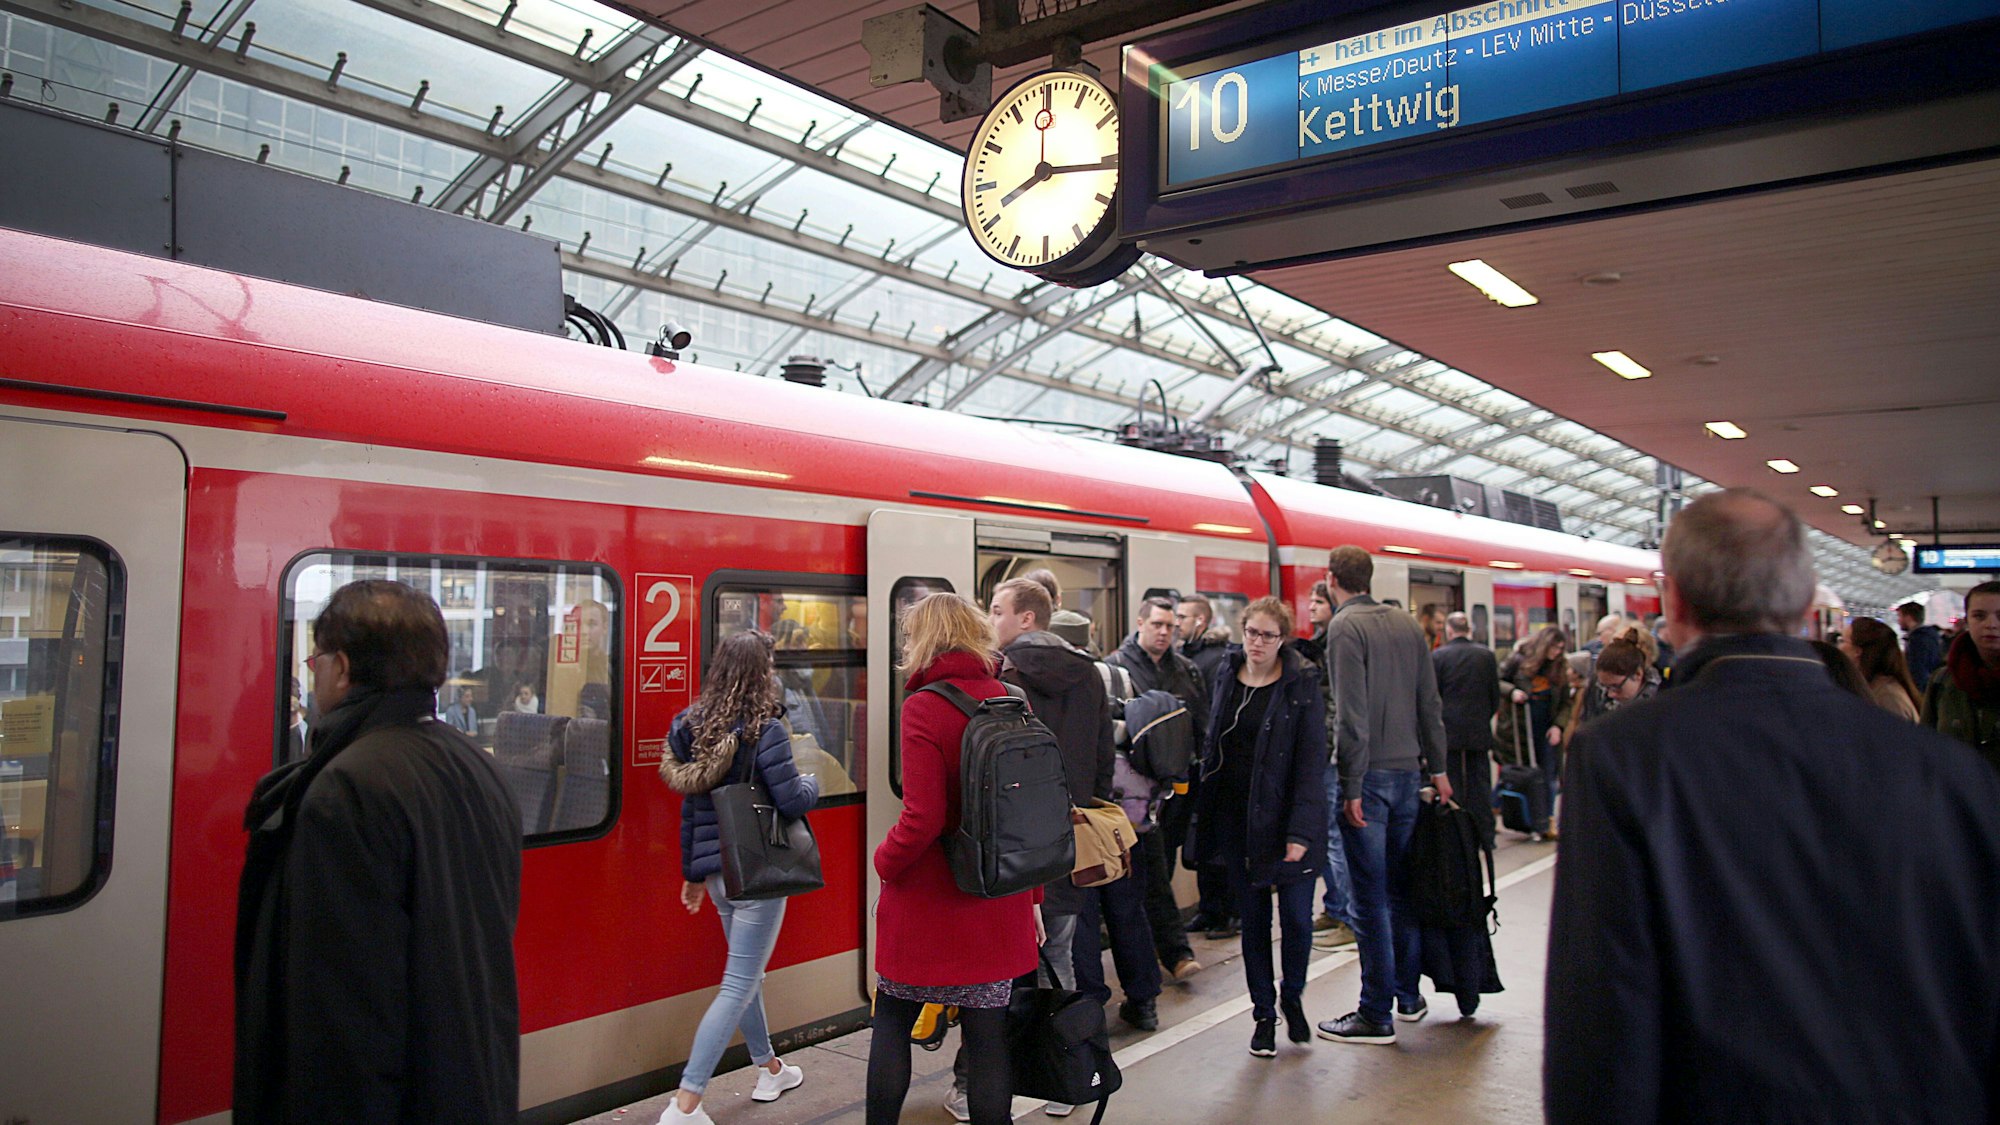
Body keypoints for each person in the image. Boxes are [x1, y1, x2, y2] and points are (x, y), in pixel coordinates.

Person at [1546, 489, 2000, 1123]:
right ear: (1808, 597)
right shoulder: (1953, 774)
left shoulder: (1622, 759)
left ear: (1673, 602)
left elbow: (1602, 1013)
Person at [235, 580, 521, 1123]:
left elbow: (343, 1015)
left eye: (315, 660)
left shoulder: (344, 789)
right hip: (472, 1083)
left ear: (341, 668)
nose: (312, 673)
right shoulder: (480, 768)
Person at [943, 577, 1116, 1119]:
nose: (989, 620)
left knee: (996, 977)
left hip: (1014, 846)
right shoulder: (1091, 673)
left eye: (996, 610)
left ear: (1026, 619)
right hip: (1068, 840)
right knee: (1057, 959)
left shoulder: (1004, 676)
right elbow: (1103, 754)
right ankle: (1061, 1072)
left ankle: (971, 1085)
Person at [868, 593, 1039, 1125]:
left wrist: (885, 862)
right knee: (988, 1037)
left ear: (924, 640)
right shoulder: (1013, 698)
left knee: (893, 1021)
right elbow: (1027, 814)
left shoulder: (923, 706)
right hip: (995, 897)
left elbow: (923, 819)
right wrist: (1031, 896)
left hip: (929, 904)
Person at [657, 631, 818, 1125]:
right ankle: (686, 1102)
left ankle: (770, 1068)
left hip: (718, 874)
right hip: (757, 871)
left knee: (746, 979)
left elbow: (691, 810)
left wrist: (692, 875)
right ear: (761, 672)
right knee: (738, 983)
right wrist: (812, 782)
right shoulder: (763, 729)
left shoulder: (689, 726)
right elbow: (790, 800)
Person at [1317, 547, 1452, 1046]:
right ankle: (1408, 997)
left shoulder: (1344, 628)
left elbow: (1351, 715)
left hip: (1368, 780)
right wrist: (1437, 768)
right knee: (1400, 891)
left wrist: (1350, 784)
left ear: (1332, 580)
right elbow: (1429, 703)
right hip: (1409, 775)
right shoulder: (1406, 625)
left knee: (1368, 899)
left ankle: (1375, 1012)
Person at [1190, 596, 1328, 1057]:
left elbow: (1311, 763)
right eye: (1251, 632)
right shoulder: (1227, 673)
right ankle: (1264, 1014)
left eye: (1268, 635)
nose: (1257, 643)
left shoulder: (1302, 683)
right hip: (1238, 820)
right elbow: (1213, 744)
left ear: (1282, 639)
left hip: (1288, 820)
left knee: (1295, 920)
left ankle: (1293, 995)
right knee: (1253, 922)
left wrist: (1301, 833)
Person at [1114, 597, 1223, 937]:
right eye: (1157, 625)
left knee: (1168, 854)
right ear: (1140, 622)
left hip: (1177, 784)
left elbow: (1202, 724)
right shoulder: (1118, 668)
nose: (1164, 633)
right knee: (1143, 863)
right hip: (1135, 788)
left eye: (1170, 627)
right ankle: (1156, 937)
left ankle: (1159, 935)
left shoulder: (1186, 670)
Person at [1431, 611, 1500, 851]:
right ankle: (1485, 836)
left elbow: (1433, 697)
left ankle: (1458, 837)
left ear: (1449, 630)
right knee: (1480, 784)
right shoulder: (1487, 656)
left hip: (1448, 732)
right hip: (1478, 730)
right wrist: (1483, 718)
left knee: (1453, 785)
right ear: (1468, 629)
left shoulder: (1438, 657)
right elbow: (1494, 696)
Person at [1496, 625, 1573, 840]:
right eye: (1554, 647)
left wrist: (1558, 726)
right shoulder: (1519, 659)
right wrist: (1513, 692)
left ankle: (1545, 820)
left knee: (1548, 775)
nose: (1556, 653)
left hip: (1547, 728)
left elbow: (1566, 702)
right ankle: (1508, 811)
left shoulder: (1560, 667)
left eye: (1560, 649)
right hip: (1520, 729)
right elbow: (1498, 680)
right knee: (1520, 772)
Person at [1922, 580, 2000, 772]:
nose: (1991, 625)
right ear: (1967, 620)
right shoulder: (1943, 681)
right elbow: (1926, 748)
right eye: (1979, 616)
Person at [1840, 617, 1923, 722]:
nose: (1839, 647)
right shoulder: (1877, 688)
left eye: (1842, 641)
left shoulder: (1887, 697)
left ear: (1857, 651)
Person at [1900, 599, 1947, 693]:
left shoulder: (1917, 640)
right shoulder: (1930, 635)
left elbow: (1917, 671)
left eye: (1900, 616)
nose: (1898, 620)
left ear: (1908, 617)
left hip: (1923, 691)